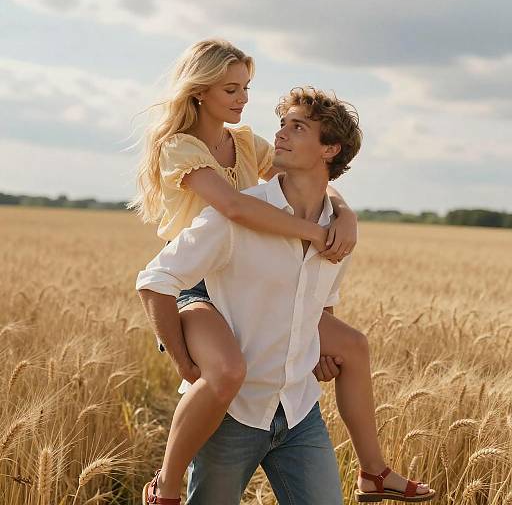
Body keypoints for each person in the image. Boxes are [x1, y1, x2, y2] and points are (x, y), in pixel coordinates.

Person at [132, 39, 435, 504]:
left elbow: (311, 177)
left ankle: (373, 472)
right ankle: (166, 485)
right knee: (227, 372)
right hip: (196, 283)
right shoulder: (180, 147)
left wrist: (342, 215)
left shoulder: (245, 143)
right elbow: (233, 207)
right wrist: (311, 234)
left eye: (246, 87)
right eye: (231, 88)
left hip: (291, 396)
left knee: (351, 345)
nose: (243, 98)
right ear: (200, 90)